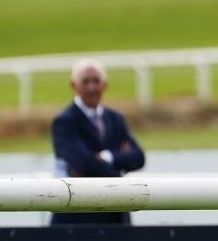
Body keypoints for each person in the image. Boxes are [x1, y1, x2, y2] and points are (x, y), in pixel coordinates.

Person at [50, 58, 146, 225]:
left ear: (105, 84)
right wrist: (120, 176)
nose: (92, 88)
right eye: (85, 81)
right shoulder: (64, 122)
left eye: (96, 81)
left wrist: (108, 157)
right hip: (77, 221)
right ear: (73, 85)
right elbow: (84, 163)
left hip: (116, 218)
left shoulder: (116, 119)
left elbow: (138, 157)